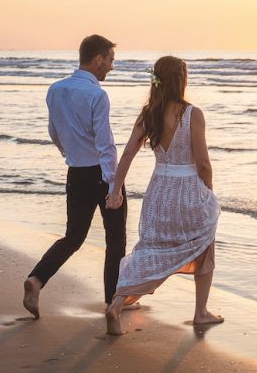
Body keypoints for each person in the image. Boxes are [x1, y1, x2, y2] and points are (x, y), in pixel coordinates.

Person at [104, 55, 224, 335]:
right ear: (181, 80)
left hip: (159, 192)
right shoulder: (192, 113)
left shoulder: (149, 114)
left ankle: (117, 304)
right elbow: (203, 162)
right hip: (189, 191)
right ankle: (200, 312)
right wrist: (208, 192)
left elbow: (128, 154)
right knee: (205, 246)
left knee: (148, 248)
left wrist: (115, 190)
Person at [23, 34, 127, 319]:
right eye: (110, 60)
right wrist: (113, 186)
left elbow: (54, 132)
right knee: (115, 239)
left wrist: (72, 157)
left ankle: (36, 280)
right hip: (102, 174)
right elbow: (105, 143)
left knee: (73, 237)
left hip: (76, 172)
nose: (111, 67)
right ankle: (112, 304)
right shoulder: (97, 95)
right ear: (97, 59)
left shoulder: (55, 90)